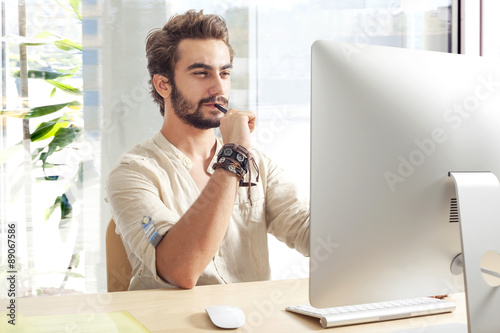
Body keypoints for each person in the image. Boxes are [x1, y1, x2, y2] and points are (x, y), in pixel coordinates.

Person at [106, 9, 309, 290]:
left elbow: (311, 233)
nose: (218, 87)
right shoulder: (133, 174)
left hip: (250, 322)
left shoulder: (258, 164)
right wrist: (234, 154)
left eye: (224, 73)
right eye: (201, 73)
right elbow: (180, 270)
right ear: (163, 84)